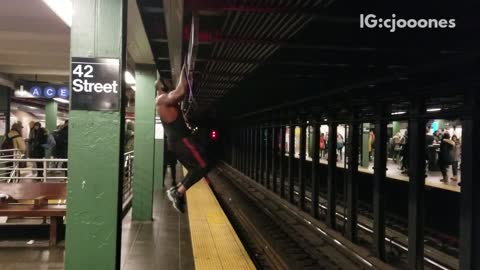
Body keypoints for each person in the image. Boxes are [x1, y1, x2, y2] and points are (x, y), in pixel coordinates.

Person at [155, 65, 210, 213]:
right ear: (162, 86)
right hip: (182, 141)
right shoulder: (162, 99)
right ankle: (177, 192)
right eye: (167, 83)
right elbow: (181, 90)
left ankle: (177, 191)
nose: (170, 84)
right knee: (202, 166)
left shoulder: (164, 101)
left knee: (196, 168)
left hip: (179, 142)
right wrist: (185, 69)